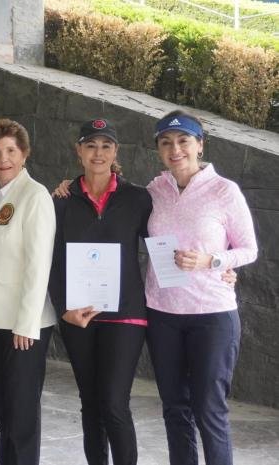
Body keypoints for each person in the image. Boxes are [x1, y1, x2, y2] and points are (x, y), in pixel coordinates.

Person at [145, 111, 257, 465]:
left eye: (183, 141)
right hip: (162, 314)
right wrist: (68, 187)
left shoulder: (225, 190)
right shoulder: (154, 190)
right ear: (159, 149)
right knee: (174, 408)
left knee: (209, 409)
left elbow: (249, 250)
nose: (175, 149)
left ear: (200, 145)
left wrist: (212, 260)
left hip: (212, 315)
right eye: (166, 142)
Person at [47, 119, 153, 465]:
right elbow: (51, 260)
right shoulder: (61, 201)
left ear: (115, 152)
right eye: (90, 145)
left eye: (106, 146)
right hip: (78, 315)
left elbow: (166, 243)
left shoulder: (138, 199)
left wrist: (218, 263)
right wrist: (63, 308)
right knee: (90, 403)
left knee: (114, 403)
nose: (98, 153)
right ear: (78, 151)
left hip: (125, 314)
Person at [0, 118, 56, 465]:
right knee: (4, 410)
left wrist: (26, 323)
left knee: (21, 414)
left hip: (23, 323)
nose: (3, 158)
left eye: (10, 150)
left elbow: (38, 265)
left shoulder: (35, 196)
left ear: (24, 154)